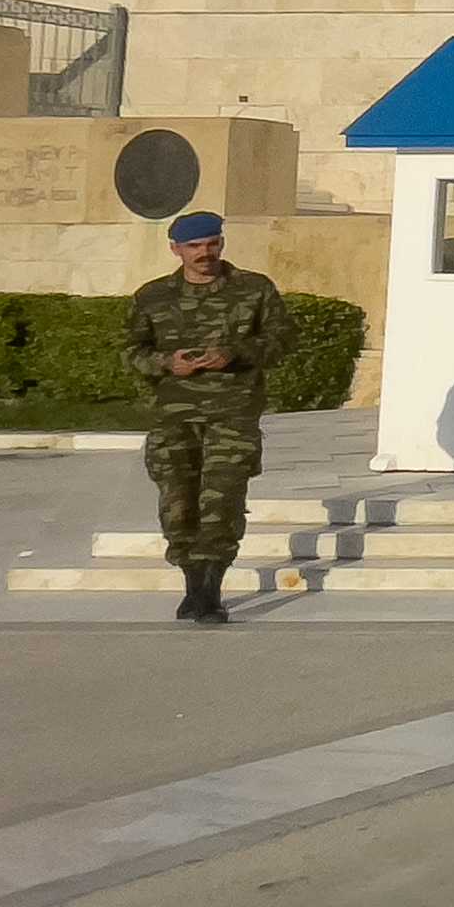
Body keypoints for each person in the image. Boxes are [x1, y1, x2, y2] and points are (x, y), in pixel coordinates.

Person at [123, 211, 294, 623]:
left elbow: (282, 339)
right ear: (176, 250)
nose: (205, 254)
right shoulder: (153, 297)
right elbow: (131, 351)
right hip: (174, 416)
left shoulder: (253, 290)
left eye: (212, 243)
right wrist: (167, 362)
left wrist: (235, 352)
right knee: (177, 503)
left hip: (232, 413)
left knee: (222, 499)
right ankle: (191, 583)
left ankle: (211, 592)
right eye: (195, 247)